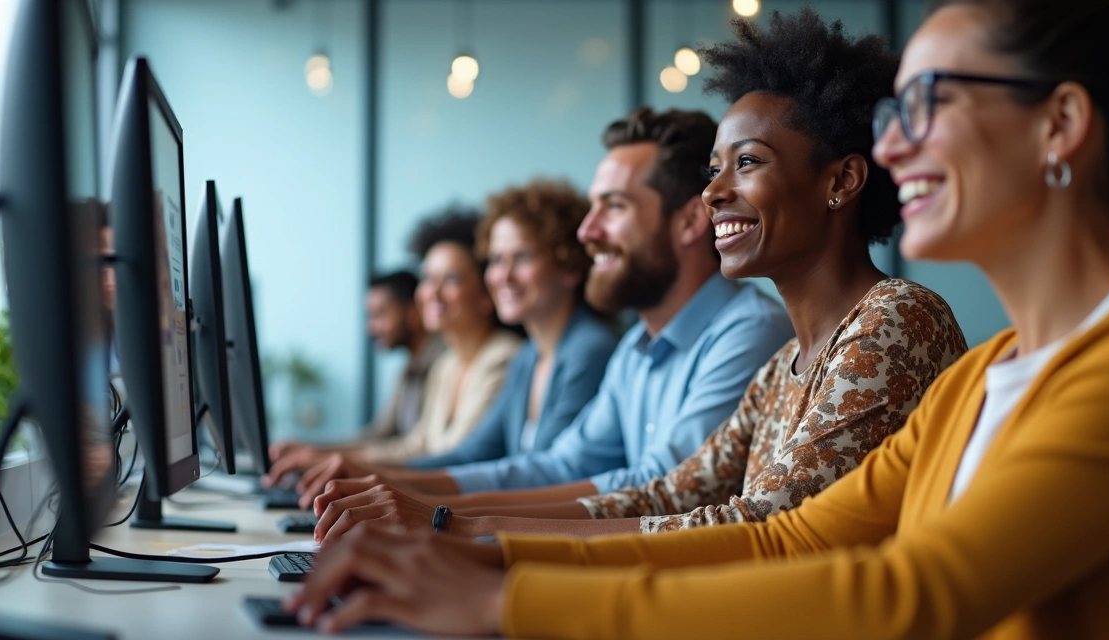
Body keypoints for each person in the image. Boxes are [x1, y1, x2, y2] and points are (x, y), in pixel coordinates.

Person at [289, 1, 1109, 637]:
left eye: (929, 104)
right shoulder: (979, 380)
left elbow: (914, 596)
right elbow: (786, 537)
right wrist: (476, 552)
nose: (893, 142)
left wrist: (504, 598)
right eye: (895, 112)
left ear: (1058, 126)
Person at [307, 8, 967, 542]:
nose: (713, 194)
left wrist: (461, 531)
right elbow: (665, 495)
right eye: (715, 169)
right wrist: (442, 523)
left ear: (842, 180)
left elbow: (767, 530)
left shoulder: (893, 321)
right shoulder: (785, 366)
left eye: (749, 163)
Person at [290, 107, 795, 514]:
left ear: (688, 222)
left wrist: (440, 511)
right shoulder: (633, 350)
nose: (586, 232)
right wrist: (393, 485)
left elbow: (658, 489)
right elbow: (558, 465)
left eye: (613, 207)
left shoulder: (747, 331)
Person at [286, 180, 619, 499]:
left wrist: (383, 478)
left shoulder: (588, 351)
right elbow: (473, 453)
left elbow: (547, 474)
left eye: (523, 258)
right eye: (497, 260)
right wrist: (371, 474)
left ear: (570, 266)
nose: (503, 275)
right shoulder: (530, 357)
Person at [263, 270, 443, 476]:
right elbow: (376, 435)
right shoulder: (409, 369)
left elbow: (419, 448)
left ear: (413, 312)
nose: (371, 328)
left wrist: (324, 458)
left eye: (380, 314)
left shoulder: (442, 364)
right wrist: (310, 449)